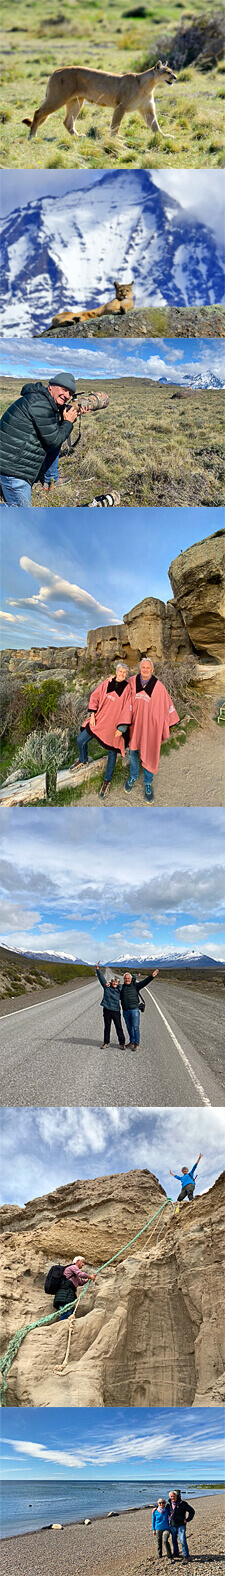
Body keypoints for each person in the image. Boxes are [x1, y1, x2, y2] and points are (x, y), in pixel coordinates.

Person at [0, 373, 79, 506]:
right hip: (12, 468)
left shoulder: (42, 400)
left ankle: (51, 479)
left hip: (10, 459)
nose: (66, 396)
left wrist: (72, 415)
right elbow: (54, 440)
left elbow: (52, 430)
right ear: (51, 386)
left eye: (70, 393)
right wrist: (68, 422)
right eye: (64, 390)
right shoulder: (41, 404)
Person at [124, 657, 179, 803]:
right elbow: (120, 691)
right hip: (134, 726)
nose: (145, 670)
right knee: (133, 751)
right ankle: (134, 776)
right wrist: (111, 681)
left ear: (152, 669)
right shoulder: (131, 681)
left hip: (150, 728)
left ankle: (148, 783)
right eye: (143, 667)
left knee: (149, 752)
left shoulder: (159, 686)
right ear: (140, 668)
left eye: (148, 668)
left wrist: (170, 722)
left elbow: (166, 704)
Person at [75, 664, 132, 798]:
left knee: (112, 752)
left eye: (125, 672)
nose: (122, 674)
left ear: (127, 674)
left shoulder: (128, 689)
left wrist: (121, 728)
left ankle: (107, 780)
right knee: (80, 740)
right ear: (116, 671)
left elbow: (127, 709)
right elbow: (95, 696)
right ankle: (83, 760)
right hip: (99, 720)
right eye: (120, 671)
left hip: (113, 726)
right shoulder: (107, 682)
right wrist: (93, 715)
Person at [120, 967, 159, 1050]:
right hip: (125, 1011)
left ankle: (136, 1043)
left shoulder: (135, 986)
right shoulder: (121, 988)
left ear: (131, 979)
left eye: (128, 978)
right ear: (123, 979)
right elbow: (112, 988)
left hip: (134, 1010)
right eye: (125, 978)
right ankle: (131, 1042)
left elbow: (144, 982)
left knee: (135, 1027)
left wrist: (152, 976)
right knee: (129, 1027)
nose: (127, 980)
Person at [53, 1255, 96, 1321]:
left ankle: (63, 1326)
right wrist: (90, 1276)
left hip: (67, 1294)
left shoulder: (73, 1273)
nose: (83, 1264)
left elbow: (80, 1282)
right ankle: (62, 1327)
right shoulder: (73, 1267)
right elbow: (81, 1274)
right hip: (66, 1293)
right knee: (67, 1311)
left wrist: (87, 1279)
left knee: (69, 1310)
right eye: (82, 1262)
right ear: (78, 1261)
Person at [96, 964, 125, 1048]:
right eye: (113, 982)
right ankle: (106, 1042)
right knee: (107, 1027)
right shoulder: (107, 988)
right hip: (107, 1010)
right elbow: (101, 979)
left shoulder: (120, 989)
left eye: (116, 982)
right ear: (111, 982)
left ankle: (122, 1043)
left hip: (116, 1010)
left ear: (118, 983)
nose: (115, 983)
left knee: (119, 1027)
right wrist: (98, 969)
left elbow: (128, 985)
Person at [166, 1489, 195, 1559]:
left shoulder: (183, 1504)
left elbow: (192, 1511)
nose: (173, 1498)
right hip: (172, 1525)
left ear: (177, 1496)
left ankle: (186, 1555)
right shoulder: (168, 1505)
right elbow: (162, 1510)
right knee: (174, 1540)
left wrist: (187, 1519)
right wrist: (155, 1509)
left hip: (181, 1525)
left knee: (182, 1540)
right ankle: (176, 1553)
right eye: (171, 1496)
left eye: (174, 1496)